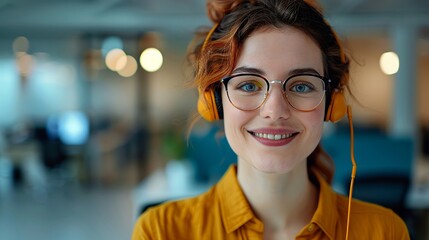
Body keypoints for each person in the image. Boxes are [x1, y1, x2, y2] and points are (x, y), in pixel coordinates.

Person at [132, 0, 410, 239]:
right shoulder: (160, 231)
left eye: (301, 86)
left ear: (331, 104)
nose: (275, 110)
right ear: (216, 101)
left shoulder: (384, 231)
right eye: (249, 85)